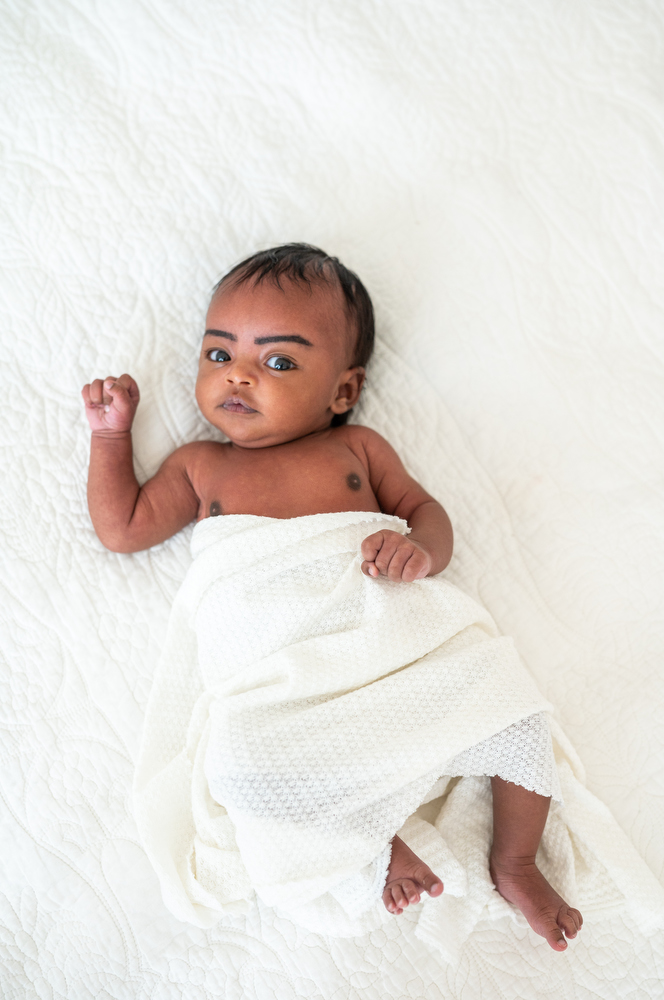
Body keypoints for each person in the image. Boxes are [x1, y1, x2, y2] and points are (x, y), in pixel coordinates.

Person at [82, 243, 582, 950]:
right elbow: (124, 529)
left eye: (279, 362)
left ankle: (516, 859)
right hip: (280, 681)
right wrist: (111, 437)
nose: (241, 377)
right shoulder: (201, 466)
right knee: (239, 768)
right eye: (219, 355)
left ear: (342, 392)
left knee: (511, 703)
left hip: (383, 645)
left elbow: (428, 512)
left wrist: (420, 549)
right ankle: (371, 849)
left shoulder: (359, 451)